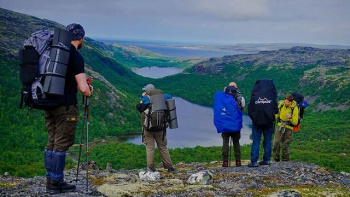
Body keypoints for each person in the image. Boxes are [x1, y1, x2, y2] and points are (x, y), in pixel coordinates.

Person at [44, 23, 93, 194]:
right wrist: (89, 90)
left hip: (49, 103)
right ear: (81, 38)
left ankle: (51, 179)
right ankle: (56, 183)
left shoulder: (53, 51)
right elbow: (83, 88)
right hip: (66, 106)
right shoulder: (75, 56)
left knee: (52, 141)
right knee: (62, 143)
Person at [137, 84, 175, 172]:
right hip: (161, 128)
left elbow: (139, 108)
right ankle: (169, 167)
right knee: (163, 147)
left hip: (148, 129)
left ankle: (151, 168)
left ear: (147, 91)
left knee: (150, 148)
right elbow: (170, 96)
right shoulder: (163, 97)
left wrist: (142, 97)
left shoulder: (146, 98)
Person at [247, 79, 278, 167]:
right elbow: (276, 109)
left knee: (256, 141)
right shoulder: (271, 96)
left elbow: (250, 109)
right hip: (268, 122)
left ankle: (254, 161)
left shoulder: (255, 95)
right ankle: (266, 160)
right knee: (268, 141)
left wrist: (254, 119)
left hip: (257, 122)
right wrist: (271, 118)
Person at [220, 82, 245, 167]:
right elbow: (242, 109)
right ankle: (238, 161)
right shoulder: (241, 98)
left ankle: (225, 162)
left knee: (225, 142)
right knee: (236, 142)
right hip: (235, 124)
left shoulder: (223, 98)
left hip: (226, 124)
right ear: (236, 88)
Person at [273, 94, 299, 162]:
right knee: (276, 142)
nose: (287, 103)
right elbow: (277, 114)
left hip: (288, 127)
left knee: (285, 144)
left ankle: (285, 160)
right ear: (285, 100)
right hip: (280, 125)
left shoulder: (294, 108)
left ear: (291, 102)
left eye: (288, 102)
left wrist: (290, 118)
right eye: (286, 101)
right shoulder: (281, 104)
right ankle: (276, 159)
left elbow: (295, 122)